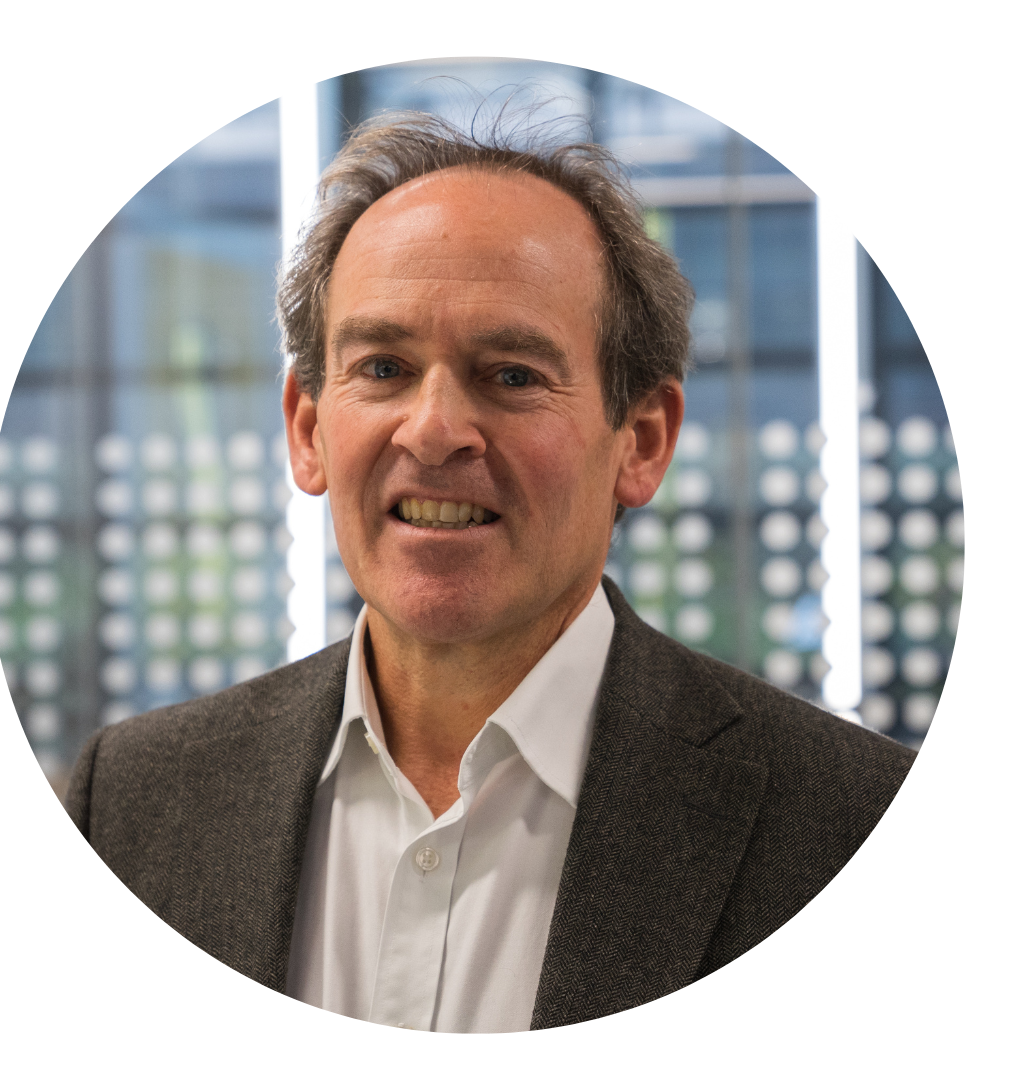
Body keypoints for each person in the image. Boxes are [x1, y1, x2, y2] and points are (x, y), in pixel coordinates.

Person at [65, 112, 916, 1033]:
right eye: (383, 367)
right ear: (307, 430)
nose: (433, 431)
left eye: (511, 375)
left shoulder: (845, 821)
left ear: (641, 441)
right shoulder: (134, 803)